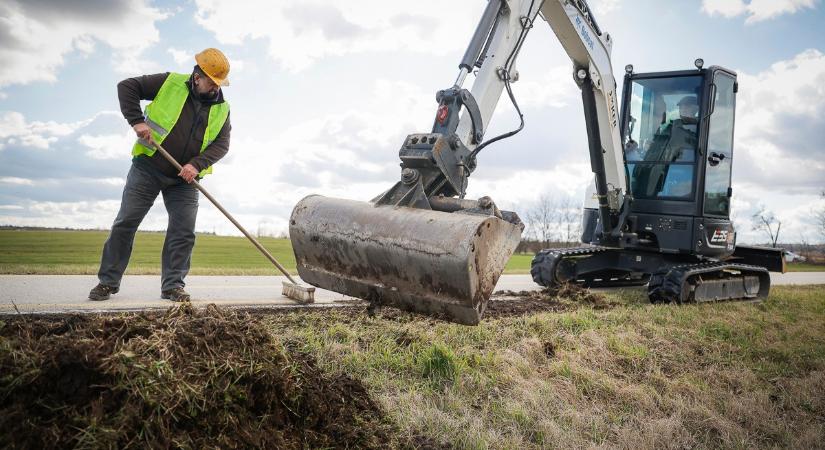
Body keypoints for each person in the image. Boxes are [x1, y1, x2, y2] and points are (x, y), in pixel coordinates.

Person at [88, 48, 232, 302]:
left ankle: (173, 286)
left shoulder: (223, 108)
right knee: (126, 222)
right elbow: (127, 86)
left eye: (218, 83)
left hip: (184, 179)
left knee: (183, 231)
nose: (215, 87)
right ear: (197, 76)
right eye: (211, 81)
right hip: (148, 167)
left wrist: (196, 165)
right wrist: (137, 121)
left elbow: (221, 145)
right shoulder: (170, 83)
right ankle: (107, 282)